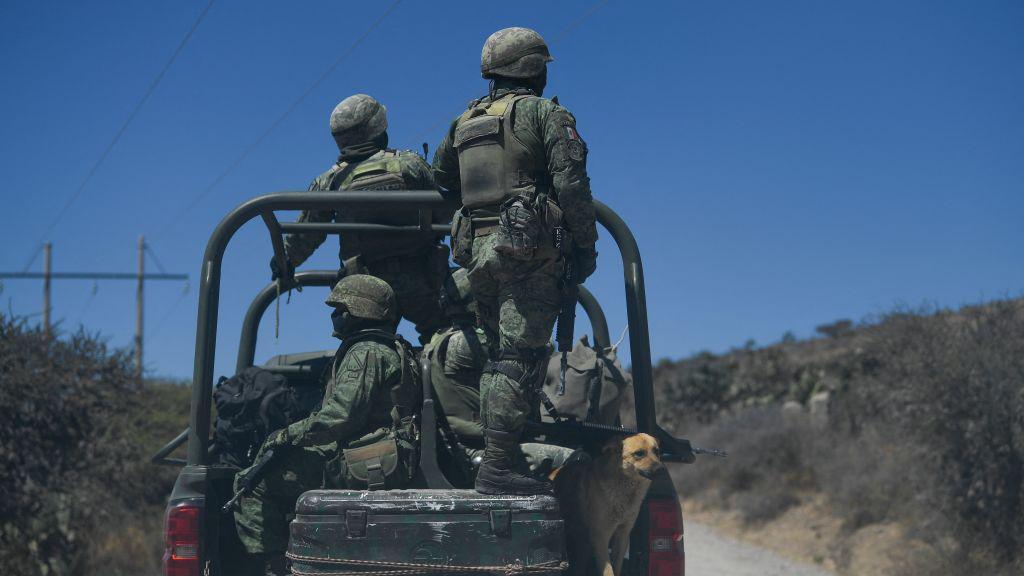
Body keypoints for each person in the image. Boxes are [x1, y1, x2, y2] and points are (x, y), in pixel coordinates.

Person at [432, 27, 598, 495]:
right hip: (529, 254)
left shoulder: (465, 120)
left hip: (478, 254)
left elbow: (442, 176)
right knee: (517, 359)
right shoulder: (547, 113)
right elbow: (572, 186)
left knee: (495, 358)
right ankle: (497, 470)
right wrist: (585, 248)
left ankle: (497, 457)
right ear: (533, 69)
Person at [233, 275, 419, 575]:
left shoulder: (365, 352)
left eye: (339, 309)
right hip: (376, 453)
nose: (335, 317)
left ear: (357, 310)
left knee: (251, 484)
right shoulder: (390, 347)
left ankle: (275, 568)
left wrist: (284, 436)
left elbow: (340, 416)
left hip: (360, 458)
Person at [276, 93, 450, 343]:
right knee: (444, 338)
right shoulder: (409, 164)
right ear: (378, 127)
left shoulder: (329, 182)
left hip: (362, 288)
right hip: (423, 281)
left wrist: (285, 261)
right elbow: (444, 211)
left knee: (365, 348)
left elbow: (307, 233)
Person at [424, 268, 572, 487]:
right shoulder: (467, 343)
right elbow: (537, 345)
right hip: (479, 453)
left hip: (460, 448)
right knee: (579, 462)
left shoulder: (438, 339)